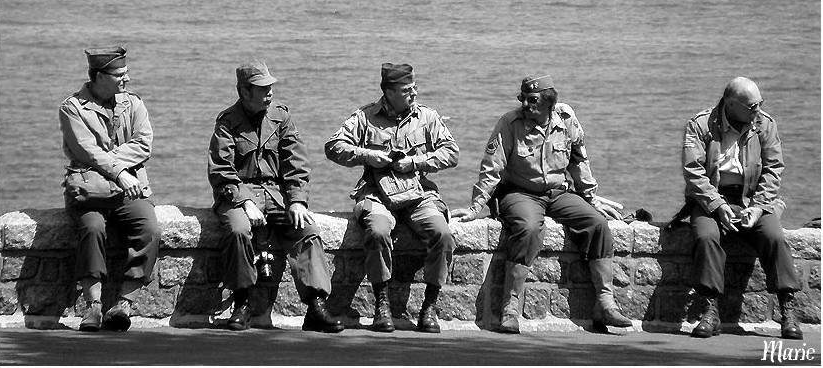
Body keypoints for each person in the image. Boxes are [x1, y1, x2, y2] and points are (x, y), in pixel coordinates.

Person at [452, 74, 631, 333]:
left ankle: (605, 304)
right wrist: (475, 206)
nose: (526, 105)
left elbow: (579, 161)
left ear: (549, 101)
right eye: (522, 99)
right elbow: (491, 168)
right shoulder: (509, 123)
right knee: (528, 228)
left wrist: (591, 197)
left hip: (558, 192)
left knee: (597, 224)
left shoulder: (567, 119)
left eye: (532, 100)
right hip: (519, 192)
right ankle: (510, 308)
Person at [208, 60, 343, 333]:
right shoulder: (227, 123)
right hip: (238, 192)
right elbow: (222, 170)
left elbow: (297, 162)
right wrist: (245, 201)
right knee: (238, 230)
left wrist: (296, 200)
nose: (269, 93)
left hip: (276, 193)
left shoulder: (281, 118)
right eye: (262, 88)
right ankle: (242, 304)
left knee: (306, 230)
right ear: (244, 92)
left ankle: (316, 305)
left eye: (270, 87)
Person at [325, 63, 459, 333]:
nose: (414, 94)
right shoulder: (365, 117)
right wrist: (368, 156)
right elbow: (333, 146)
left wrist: (415, 162)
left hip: (418, 192)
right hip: (377, 192)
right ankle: (381, 304)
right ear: (389, 92)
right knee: (377, 231)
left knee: (442, 235)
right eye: (407, 90)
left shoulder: (427, 117)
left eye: (414, 88)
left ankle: (429, 307)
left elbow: (452, 153)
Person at [680, 77, 802, 339]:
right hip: (711, 200)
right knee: (706, 237)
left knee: (774, 237)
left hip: (752, 200)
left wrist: (758, 208)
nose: (757, 110)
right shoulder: (700, 125)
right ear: (731, 104)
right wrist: (718, 205)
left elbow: (773, 170)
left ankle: (787, 309)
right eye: (752, 106)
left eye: (760, 104)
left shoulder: (764, 125)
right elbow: (693, 173)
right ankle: (710, 310)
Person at [59, 46, 161, 332]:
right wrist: (119, 171)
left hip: (127, 189)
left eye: (126, 74)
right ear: (100, 76)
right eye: (120, 75)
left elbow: (144, 144)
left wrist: (112, 167)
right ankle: (93, 306)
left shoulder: (134, 104)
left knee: (149, 229)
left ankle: (124, 302)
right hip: (90, 192)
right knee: (92, 229)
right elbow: (85, 150)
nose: (126, 80)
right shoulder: (72, 108)